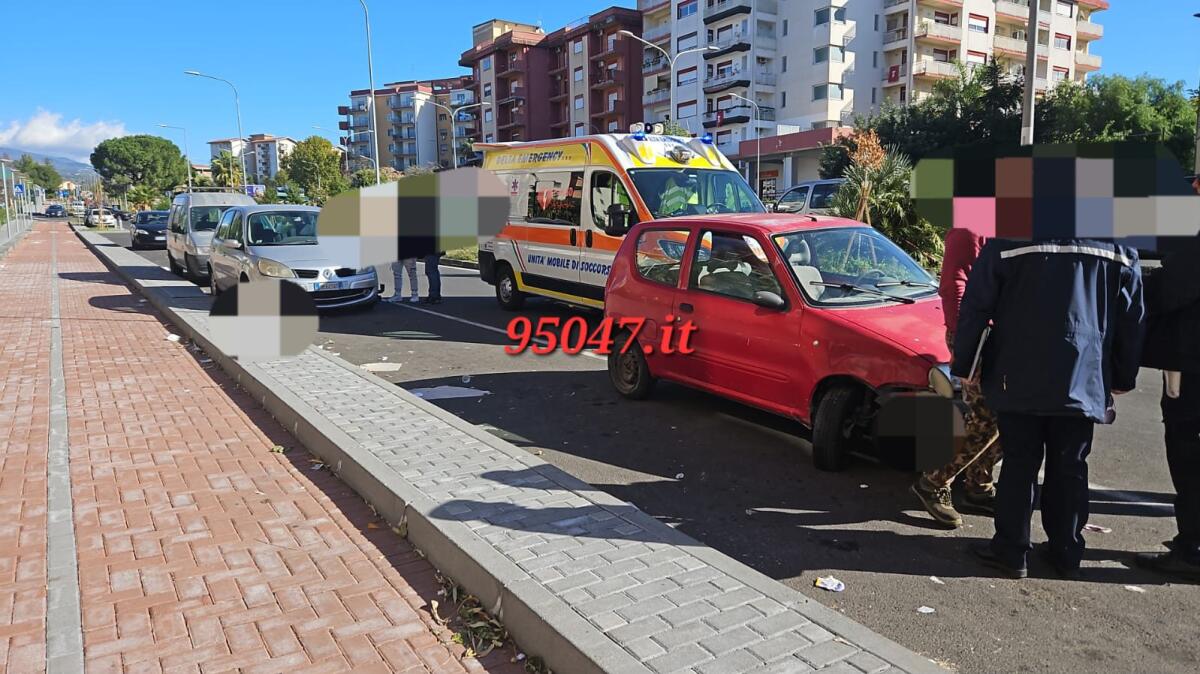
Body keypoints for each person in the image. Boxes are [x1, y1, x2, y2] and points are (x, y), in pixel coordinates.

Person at [952, 238, 1145, 579]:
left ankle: (1011, 551)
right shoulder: (1116, 246)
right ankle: (1066, 552)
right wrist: (1123, 374)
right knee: (1071, 465)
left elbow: (977, 305)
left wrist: (966, 363)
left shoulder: (1010, 238)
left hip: (1018, 372)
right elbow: (1132, 317)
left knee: (1020, 463)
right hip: (1082, 374)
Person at [911, 227, 1002, 527]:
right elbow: (954, 284)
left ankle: (978, 483)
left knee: (1009, 415)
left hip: (1002, 334)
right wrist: (967, 341)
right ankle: (933, 482)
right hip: (977, 335)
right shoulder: (972, 225)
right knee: (986, 417)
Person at [1135, 226, 1200, 578]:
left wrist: (1131, 281)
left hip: (1191, 363)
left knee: (1187, 450)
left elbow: (1172, 288)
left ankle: (1192, 548)